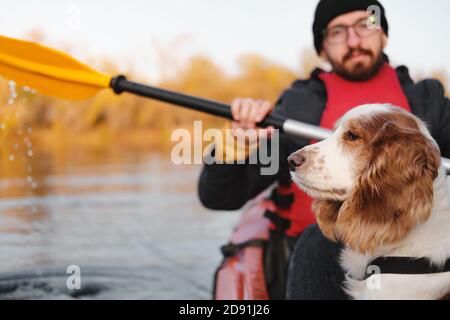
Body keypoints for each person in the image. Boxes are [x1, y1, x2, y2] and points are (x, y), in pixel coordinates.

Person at [198, 0, 450, 299]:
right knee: (315, 240)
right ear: (322, 48)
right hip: (320, 256)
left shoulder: (429, 101)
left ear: (383, 34)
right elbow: (220, 197)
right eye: (338, 31)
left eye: (365, 25)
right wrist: (231, 149)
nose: (354, 40)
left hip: (425, 256)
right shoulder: (296, 107)